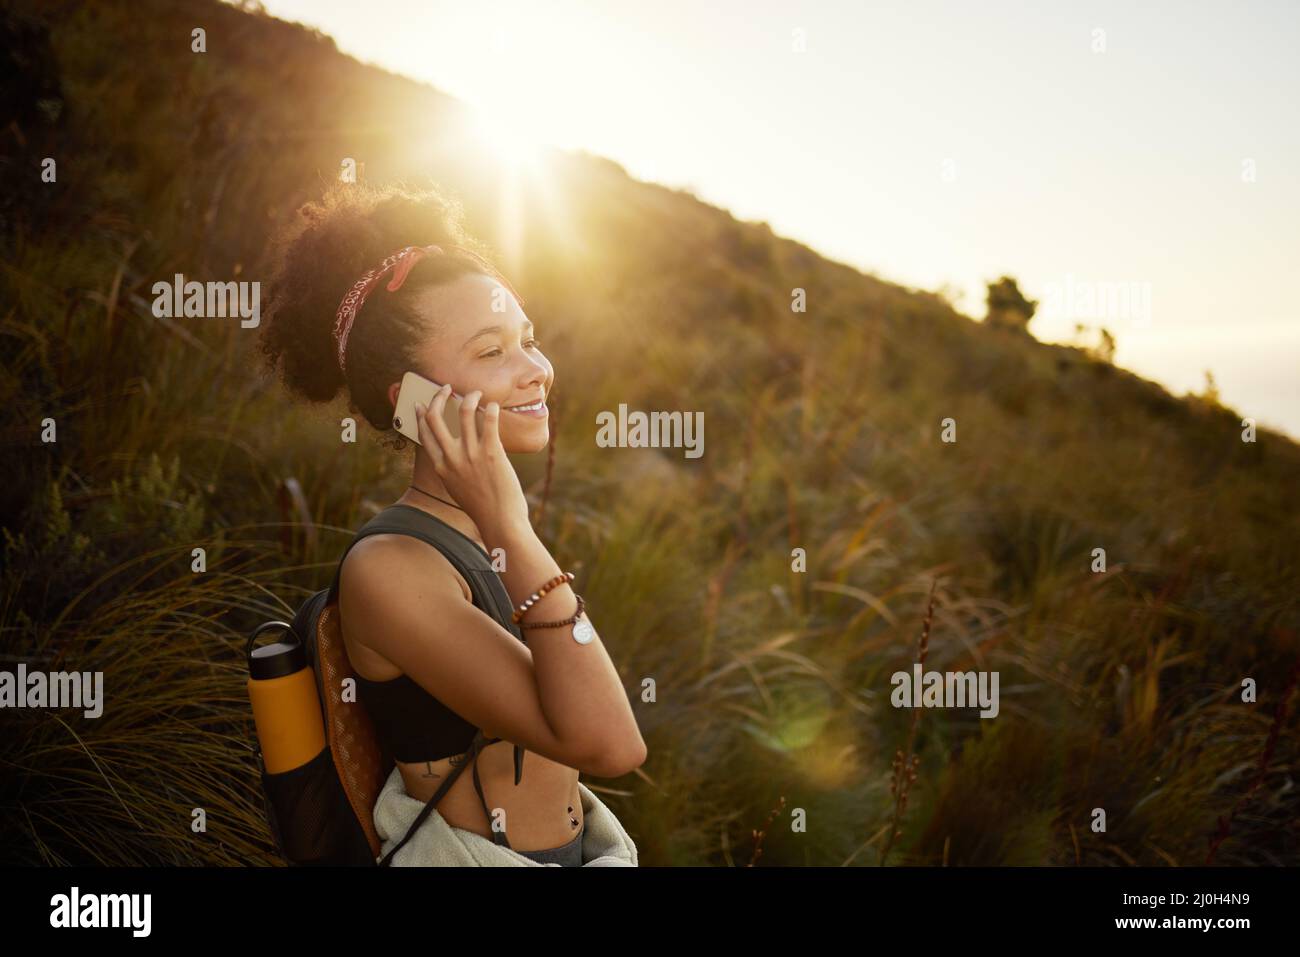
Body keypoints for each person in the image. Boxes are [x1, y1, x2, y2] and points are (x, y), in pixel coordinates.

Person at [259, 182, 646, 865]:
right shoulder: (391, 568)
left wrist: (504, 524)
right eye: (492, 352)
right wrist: (511, 524)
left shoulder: (484, 531)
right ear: (412, 402)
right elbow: (612, 745)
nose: (537, 372)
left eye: (529, 341)